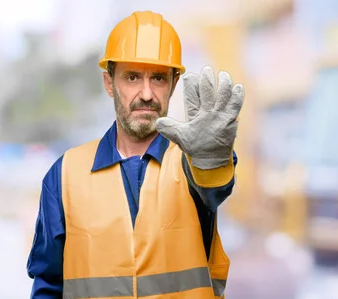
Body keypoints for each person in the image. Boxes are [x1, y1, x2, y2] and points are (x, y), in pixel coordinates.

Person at [26, 11, 244, 299]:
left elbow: (214, 187)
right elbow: (48, 283)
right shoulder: (65, 174)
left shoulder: (194, 160)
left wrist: (213, 161)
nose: (146, 93)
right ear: (109, 83)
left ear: (174, 84)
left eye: (158, 78)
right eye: (132, 77)